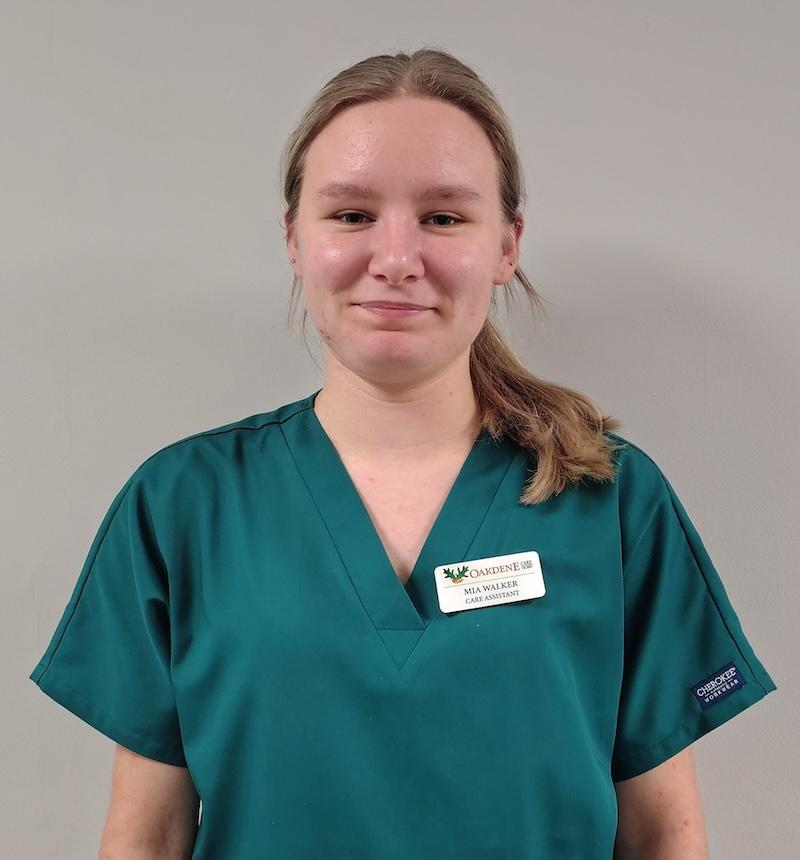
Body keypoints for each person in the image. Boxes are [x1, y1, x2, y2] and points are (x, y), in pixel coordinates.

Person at [29, 48, 777, 859]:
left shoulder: (613, 500)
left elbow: (665, 833)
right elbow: (148, 834)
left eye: (444, 217)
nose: (394, 258)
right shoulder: (180, 506)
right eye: (351, 215)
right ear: (294, 238)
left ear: (507, 245)